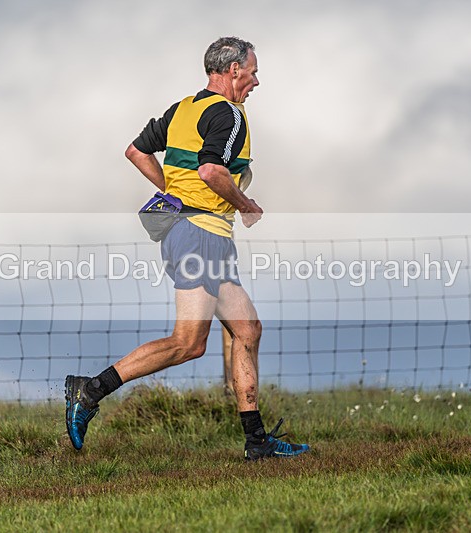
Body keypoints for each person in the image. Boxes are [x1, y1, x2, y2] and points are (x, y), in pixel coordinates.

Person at [65, 37, 309, 461]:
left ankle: (257, 442)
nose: (256, 80)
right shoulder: (229, 115)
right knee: (188, 343)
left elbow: (136, 151)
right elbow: (212, 169)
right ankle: (89, 391)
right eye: (252, 71)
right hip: (200, 235)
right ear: (233, 70)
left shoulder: (183, 108)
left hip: (196, 233)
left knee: (247, 329)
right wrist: (245, 205)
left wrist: (172, 192)